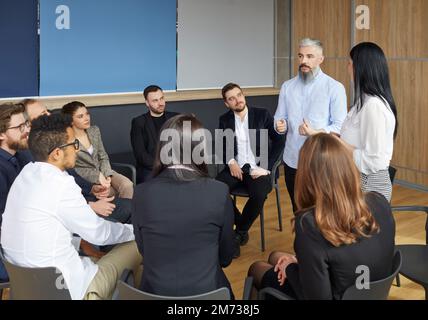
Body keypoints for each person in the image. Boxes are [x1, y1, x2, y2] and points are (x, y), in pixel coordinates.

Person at [1, 114, 141, 300]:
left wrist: (78, 243)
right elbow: (100, 233)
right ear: (57, 153)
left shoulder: (26, 174)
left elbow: (41, 230)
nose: (77, 150)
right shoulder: (61, 184)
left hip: (30, 288)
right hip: (71, 291)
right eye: (74, 145)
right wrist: (137, 230)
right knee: (140, 243)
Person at [248, 133, 395, 300]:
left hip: (336, 294)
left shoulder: (309, 225)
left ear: (307, 176)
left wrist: (290, 269)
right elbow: (350, 256)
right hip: (368, 291)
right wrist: (295, 262)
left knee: (256, 268)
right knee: (275, 257)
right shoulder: (379, 201)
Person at [132, 114, 235, 297]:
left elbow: (143, 250)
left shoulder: (141, 193)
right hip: (210, 292)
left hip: (153, 293)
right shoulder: (219, 192)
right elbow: (226, 257)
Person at [274, 38, 347, 212]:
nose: (303, 61)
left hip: (320, 161)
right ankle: (301, 238)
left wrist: (315, 133)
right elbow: (278, 118)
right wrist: (280, 125)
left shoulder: (334, 88)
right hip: (292, 160)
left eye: (309, 56)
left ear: (321, 59)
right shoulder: (287, 87)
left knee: (321, 210)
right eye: (300, 56)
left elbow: (340, 126)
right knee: (297, 209)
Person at [216, 83, 284, 257]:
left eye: (239, 95)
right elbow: (222, 146)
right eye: (231, 98)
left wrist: (266, 168)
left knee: (259, 193)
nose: (237, 100)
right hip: (237, 168)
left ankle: (238, 233)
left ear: (243, 95)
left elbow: (279, 141)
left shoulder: (262, 114)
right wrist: (231, 162)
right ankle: (241, 225)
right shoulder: (225, 120)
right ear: (226, 103)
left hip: (258, 169)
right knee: (216, 189)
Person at [340, 42, 398, 202]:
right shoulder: (364, 101)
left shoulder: (374, 106)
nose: (347, 68)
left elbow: (373, 160)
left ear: (361, 68)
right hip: (355, 179)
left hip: (369, 186)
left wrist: (337, 143)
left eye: (350, 63)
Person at [62, 101, 134, 199]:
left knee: (127, 185)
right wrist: (96, 176)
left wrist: (107, 174)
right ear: (70, 120)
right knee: (107, 192)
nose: (87, 118)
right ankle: (118, 212)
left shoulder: (94, 130)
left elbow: (103, 156)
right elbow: (71, 168)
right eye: (80, 116)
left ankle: (129, 213)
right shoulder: (66, 139)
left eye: (87, 114)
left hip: (104, 171)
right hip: (86, 179)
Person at [0, 103, 32, 282]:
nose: (27, 130)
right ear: (1, 134)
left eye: (26, 124)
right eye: (20, 127)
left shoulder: (23, 155)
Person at [130, 85, 178, 183]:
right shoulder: (139, 122)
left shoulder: (176, 118)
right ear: (147, 103)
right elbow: (141, 155)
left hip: (174, 165)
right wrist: (162, 167)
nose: (160, 103)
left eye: (161, 98)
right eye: (155, 100)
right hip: (150, 168)